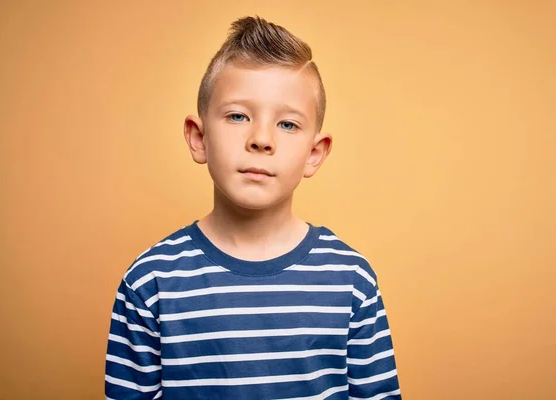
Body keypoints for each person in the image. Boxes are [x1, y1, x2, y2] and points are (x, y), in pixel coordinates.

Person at [105, 15, 402, 400]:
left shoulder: (352, 280)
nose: (261, 139)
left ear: (314, 154)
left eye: (288, 125)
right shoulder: (150, 282)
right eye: (238, 116)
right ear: (199, 138)